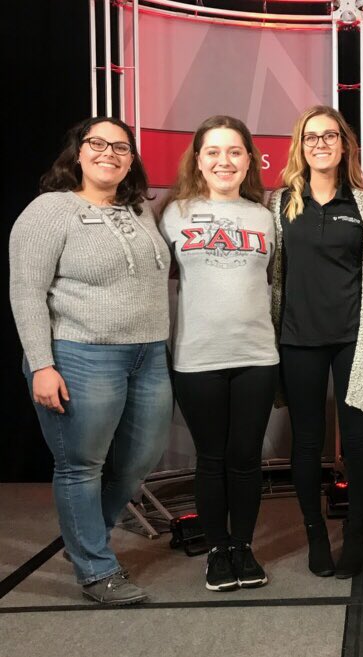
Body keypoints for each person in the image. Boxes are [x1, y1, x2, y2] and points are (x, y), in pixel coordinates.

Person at [9, 117, 172, 605]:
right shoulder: (49, 210)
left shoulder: (138, 209)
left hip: (148, 353)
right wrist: (41, 363)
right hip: (80, 354)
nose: (109, 153)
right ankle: (96, 569)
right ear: (77, 153)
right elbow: (26, 291)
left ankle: (86, 539)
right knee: (81, 465)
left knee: (139, 458)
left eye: (121, 147)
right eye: (97, 144)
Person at [269, 105, 363, 579]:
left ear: (344, 145)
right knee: (306, 443)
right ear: (300, 147)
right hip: (297, 339)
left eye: (329, 136)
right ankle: (315, 535)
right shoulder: (278, 203)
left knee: (358, 441)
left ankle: (357, 538)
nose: (320, 144)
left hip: (353, 340)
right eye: (310, 137)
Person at [159, 116, 278, 591]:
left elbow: (278, 284)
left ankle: (243, 548)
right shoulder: (173, 213)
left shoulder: (266, 215)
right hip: (197, 357)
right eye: (213, 151)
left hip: (256, 356)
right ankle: (216, 550)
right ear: (198, 159)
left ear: (249, 160)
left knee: (246, 457)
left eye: (234, 151)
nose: (224, 160)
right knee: (210, 458)